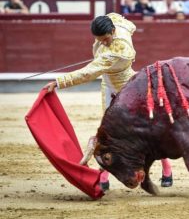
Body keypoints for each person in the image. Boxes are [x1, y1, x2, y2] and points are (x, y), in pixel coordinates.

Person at [44, 13, 174, 190]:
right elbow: (129, 25)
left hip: (129, 87)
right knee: (107, 133)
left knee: (147, 129)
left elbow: (88, 73)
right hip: (108, 86)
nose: (103, 43)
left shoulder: (119, 49)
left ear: (113, 31)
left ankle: (167, 169)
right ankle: (104, 174)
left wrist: (59, 82)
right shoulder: (116, 23)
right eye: (99, 40)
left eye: (105, 39)